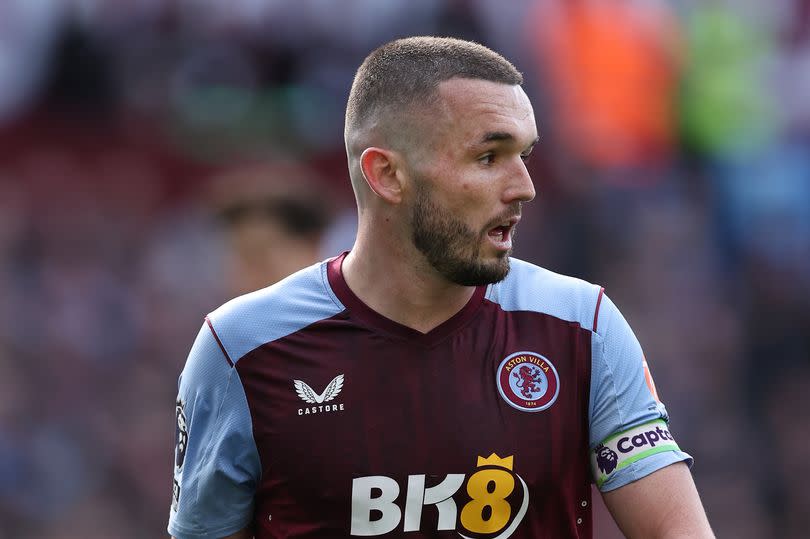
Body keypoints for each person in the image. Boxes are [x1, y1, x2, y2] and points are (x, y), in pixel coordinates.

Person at [168, 36, 714, 539]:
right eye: (488, 157)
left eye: (523, 155)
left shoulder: (581, 325)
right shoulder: (239, 349)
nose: (524, 186)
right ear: (387, 175)